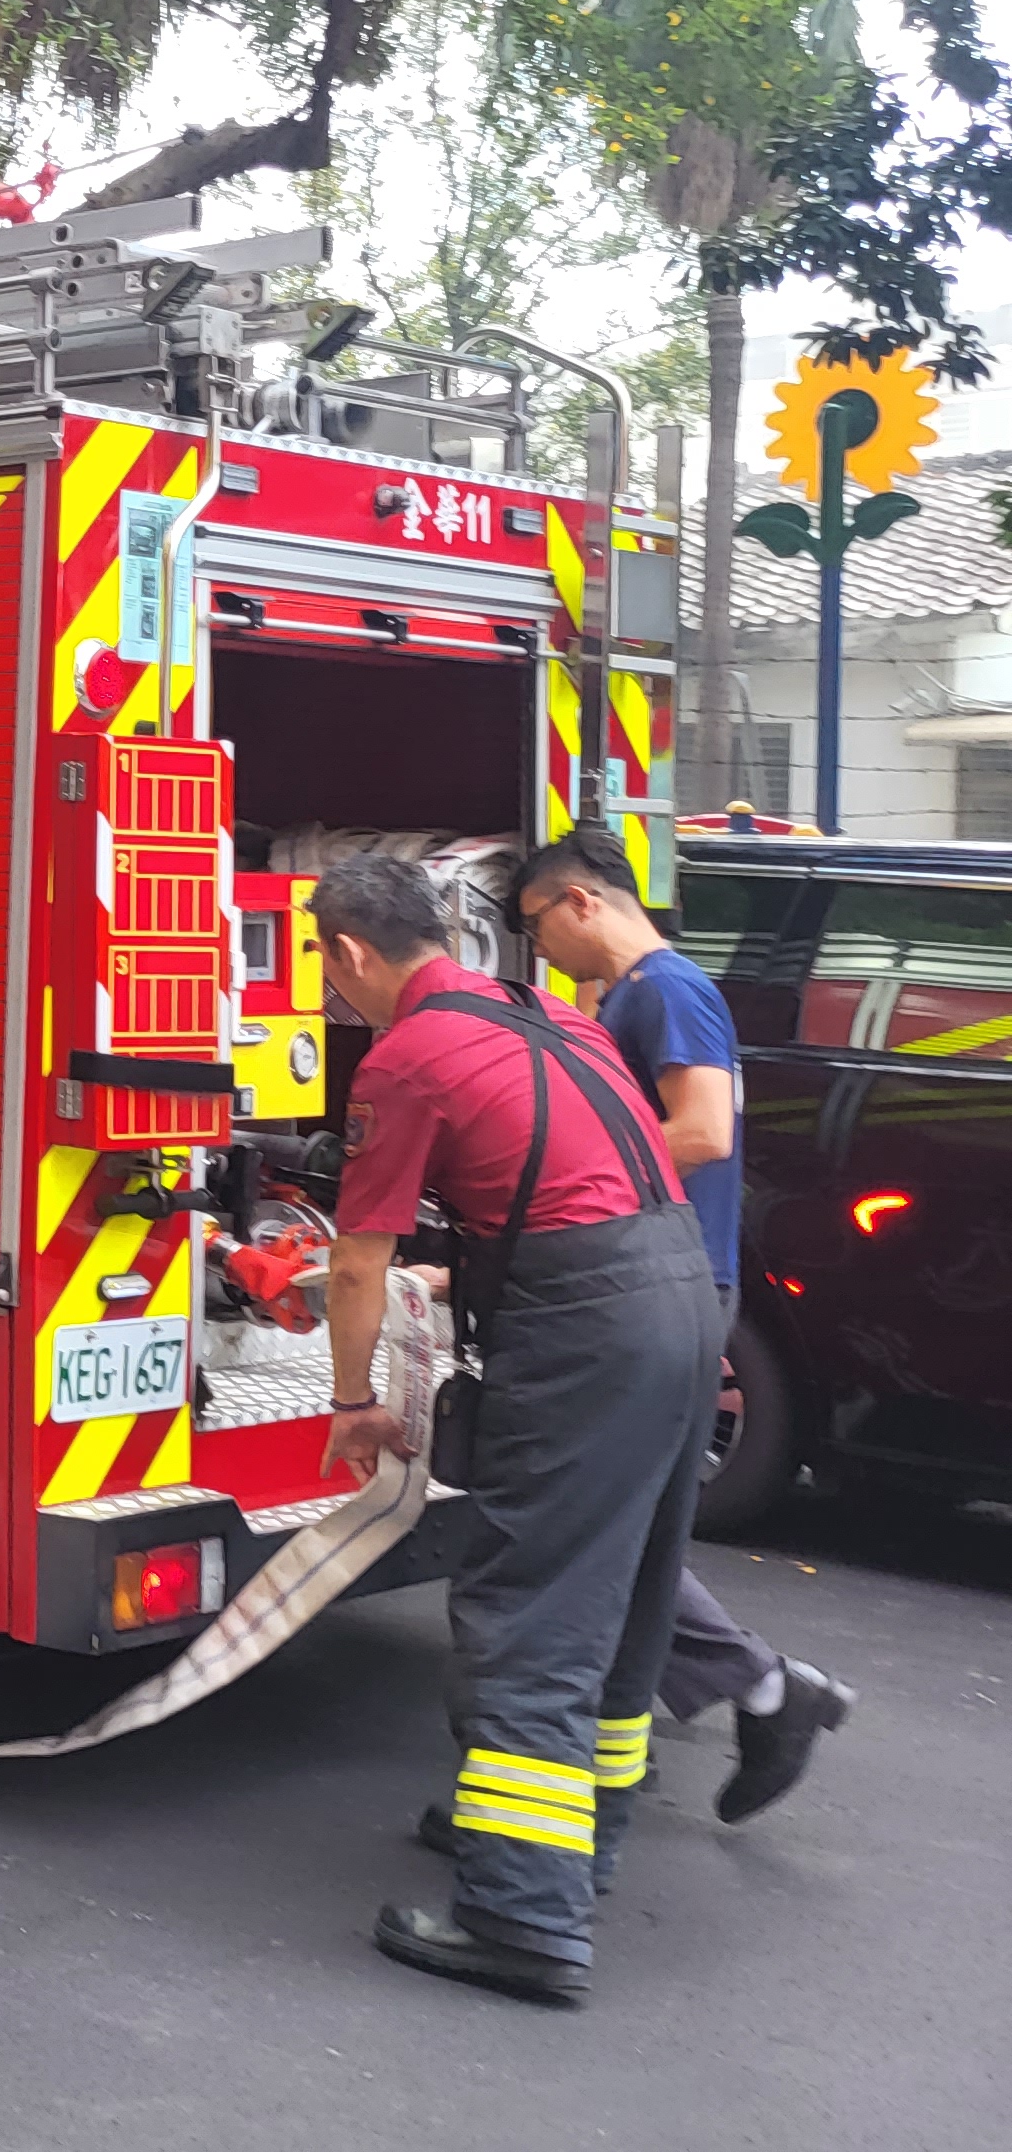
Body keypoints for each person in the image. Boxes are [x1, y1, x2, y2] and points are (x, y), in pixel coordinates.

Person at [311, 850, 718, 2006]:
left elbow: (354, 1264)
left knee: (530, 1607)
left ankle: (520, 1919)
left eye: (322, 966)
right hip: (683, 1302)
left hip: (586, 1327)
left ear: (348, 953)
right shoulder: (555, 1016)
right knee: (627, 1588)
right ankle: (562, 1839)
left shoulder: (407, 1059)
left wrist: (354, 1405)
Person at [507, 828, 853, 1818]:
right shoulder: (631, 997)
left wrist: (563, 1186)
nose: (542, 953)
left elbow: (700, 1130)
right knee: (636, 1525)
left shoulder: (665, 990)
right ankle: (758, 1693)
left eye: (537, 927)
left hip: (669, 1288)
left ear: (579, 902)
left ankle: (761, 1688)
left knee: (609, 1525)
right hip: (664, 1282)